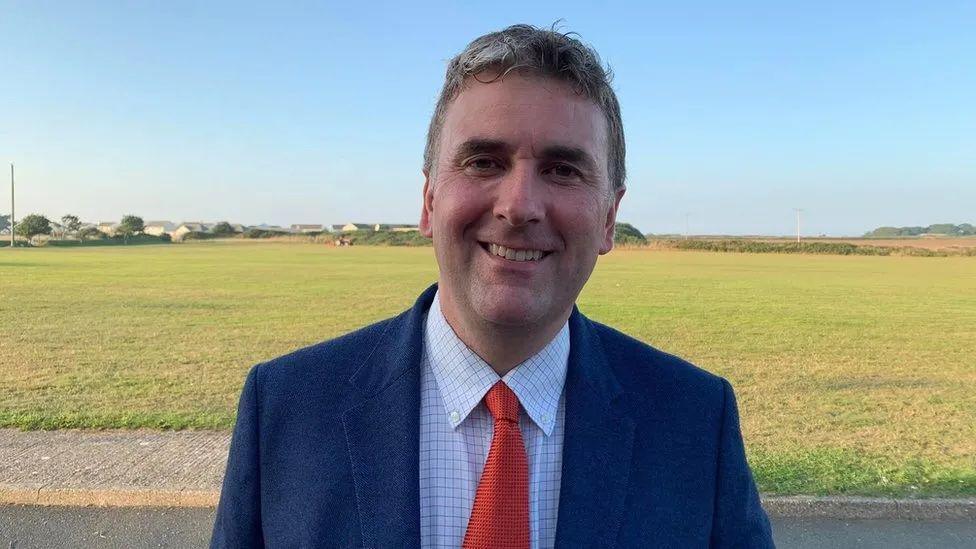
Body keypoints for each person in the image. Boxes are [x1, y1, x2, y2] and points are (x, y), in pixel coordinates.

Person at [211, 24, 773, 548]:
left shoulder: (695, 421)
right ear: (430, 200)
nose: (519, 206)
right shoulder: (286, 407)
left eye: (563, 170)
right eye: (483, 161)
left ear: (608, 218)